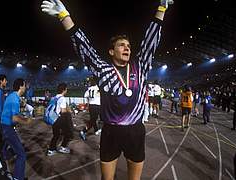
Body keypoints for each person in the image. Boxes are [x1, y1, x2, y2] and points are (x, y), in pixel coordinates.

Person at [41, 0, 173, 179]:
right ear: (111, 51)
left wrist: (161, 8)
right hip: (111, 131)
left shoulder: (140, 67)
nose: (127, 47)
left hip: (135, 130)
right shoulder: (103, 69)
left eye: (128, 46)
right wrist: (65, 17)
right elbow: (84, 48)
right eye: (121, 45)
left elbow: (151, 42)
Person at [1, 78, 33, 180]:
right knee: (21, 154)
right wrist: (26, 121)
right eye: (24, 85)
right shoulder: (15, 99)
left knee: (5, 152)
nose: (25, 87)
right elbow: (14, 118)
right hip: (7, 128)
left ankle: (3, 170)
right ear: (20, 86)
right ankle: (18, 177)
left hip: (4, 126)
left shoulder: (12, 96)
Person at [47, 83, 73, 156]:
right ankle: (63, 147)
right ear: (64, 90)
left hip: (53, 119)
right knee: (68, 133)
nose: (67, 90)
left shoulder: (54, 97)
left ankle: (51, 150)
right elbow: (63, 111)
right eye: (66, 89)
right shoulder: (62, 98)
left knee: (56, 135)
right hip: (59, 119)